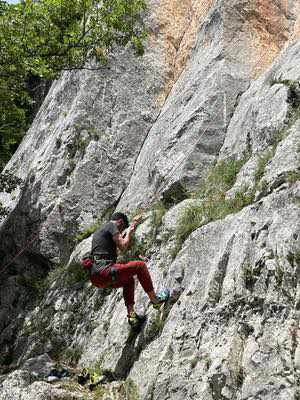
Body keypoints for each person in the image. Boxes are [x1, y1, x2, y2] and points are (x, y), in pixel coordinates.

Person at [89, 212, 170, 328]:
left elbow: (113, 251)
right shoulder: (112, 226)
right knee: (140, 266)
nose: (120, 232)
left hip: (96, 277)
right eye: (121, 229)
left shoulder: (100, 231)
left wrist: (128, 231)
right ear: (120, 222)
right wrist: (130, 232)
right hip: (105, 270)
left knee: (128, 280)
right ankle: (156, 300)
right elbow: (123, 247)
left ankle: (132, 317)